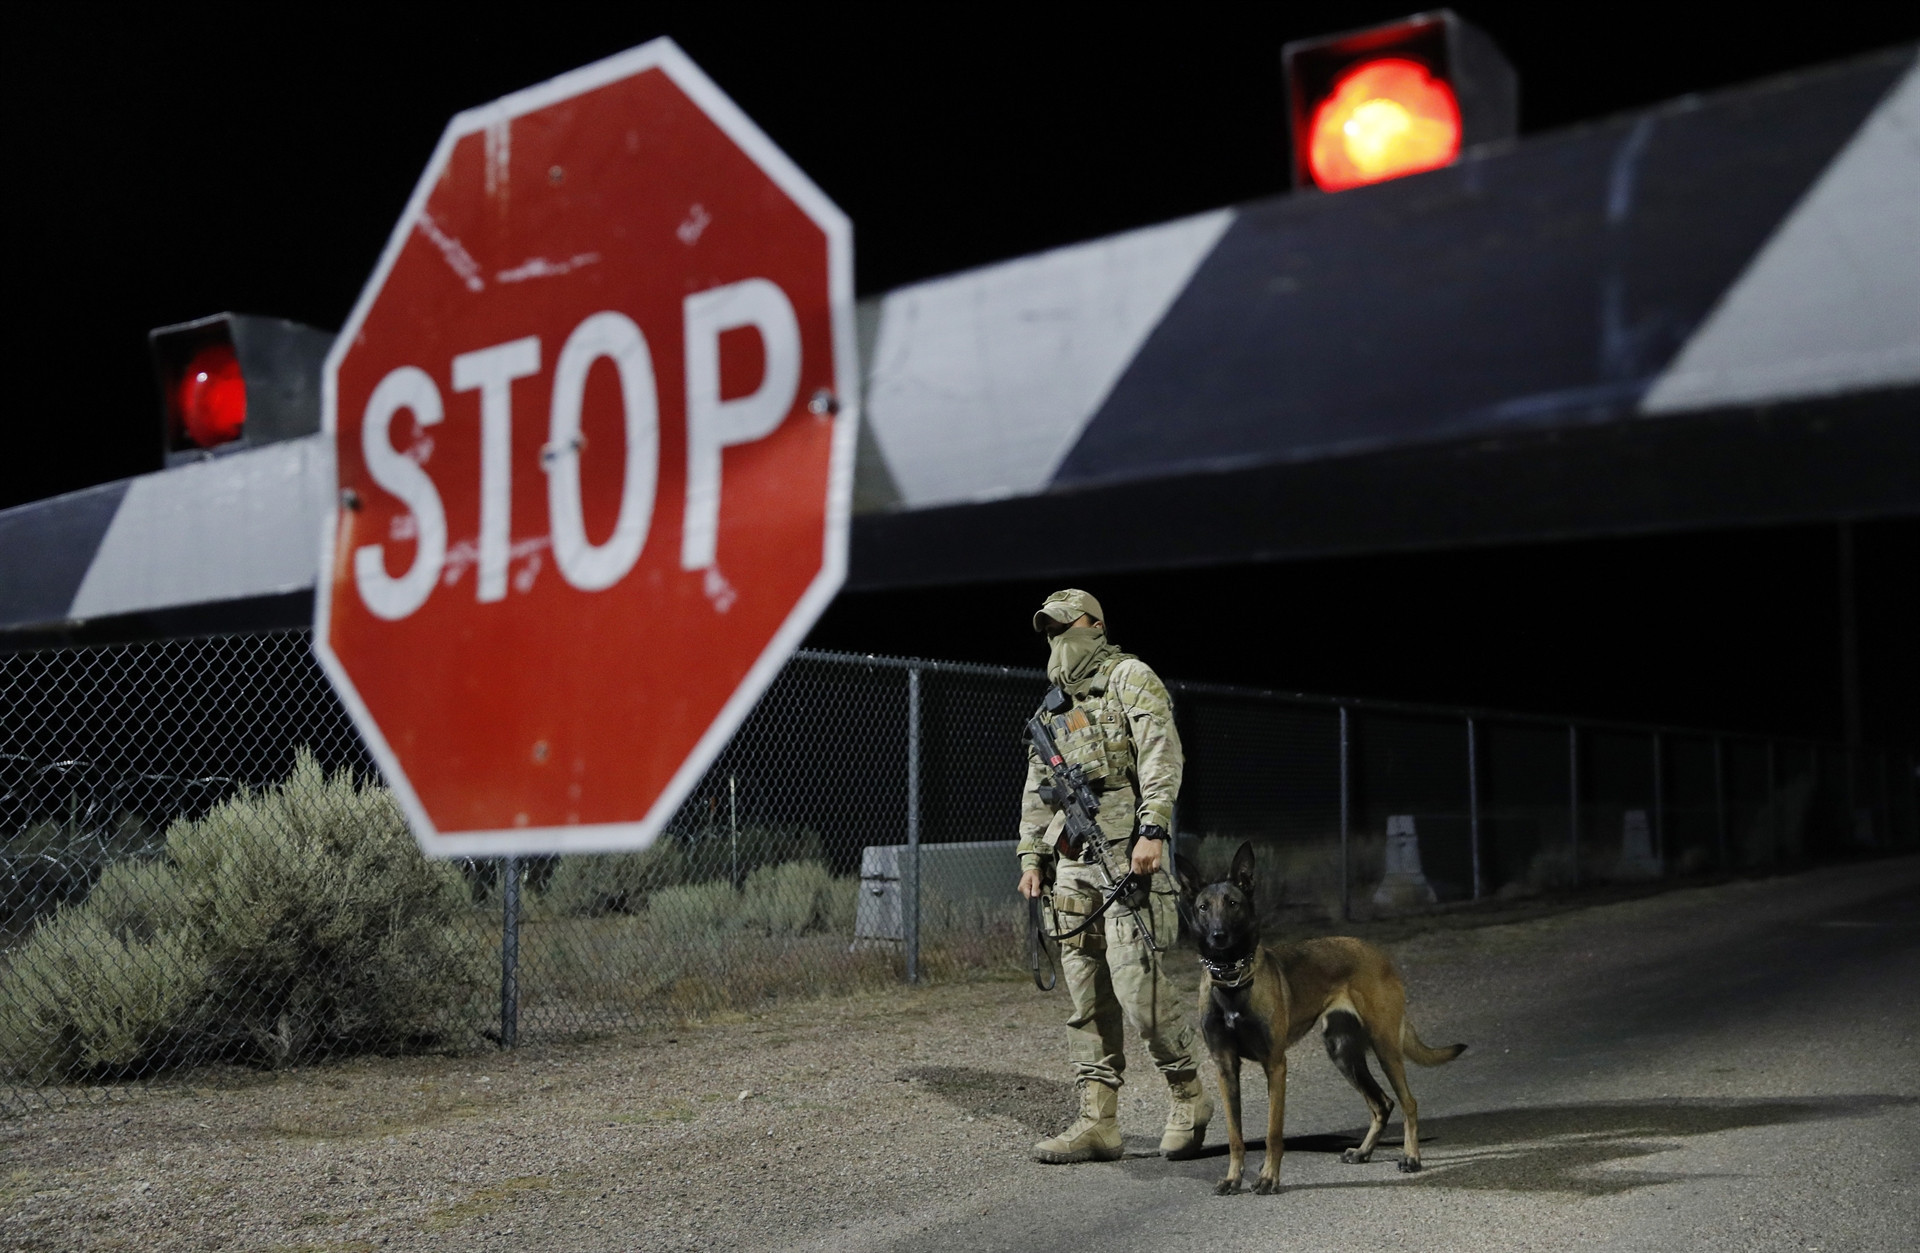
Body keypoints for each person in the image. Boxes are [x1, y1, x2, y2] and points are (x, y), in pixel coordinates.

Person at [1017, 589, 1212, 1163]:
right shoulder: (1051, 708)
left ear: (1094, 625)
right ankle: (1097, 1122)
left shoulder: (1130, 677)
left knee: (1138, 987)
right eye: (1048, 631)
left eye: (1064, 626)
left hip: (1126, 851)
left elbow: (1160, 754)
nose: (1056, 640)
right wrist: (1031, 858)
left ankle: (1188, 1096)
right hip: (1071, 865)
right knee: (1085, 996)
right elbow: (1037, 789)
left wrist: (1153, 829)